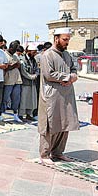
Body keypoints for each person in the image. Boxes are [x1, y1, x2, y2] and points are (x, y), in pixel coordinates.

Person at [38, 28, 79, 164]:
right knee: (50, 125)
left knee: (65, 123)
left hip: (66, 95)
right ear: (56, 39)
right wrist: (67, 77)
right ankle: (45, 154)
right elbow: (48, 74)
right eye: (64, 39)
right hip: (52, 95)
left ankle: (58, 152)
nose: (67, 42)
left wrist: (72, 76)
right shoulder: (47, 55)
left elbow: (73, 69)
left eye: (68, 39)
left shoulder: (67, 55)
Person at [2, 41, 23, 123]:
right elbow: (6, 67)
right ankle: (1, 113)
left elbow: (19, 64)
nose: (15, 51)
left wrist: (16, 65)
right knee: (5, 98)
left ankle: (15, 114)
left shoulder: (15, 56)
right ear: (10, 48)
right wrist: (14, 65)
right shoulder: (5, 55)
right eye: (14, 49)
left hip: (17, 79)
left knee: (16, 98)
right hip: (8, 80)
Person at [20, 44, 40, 121]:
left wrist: (35, 75)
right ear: (28, 51)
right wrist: (31, 77)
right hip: (25, 83)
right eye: (33, 52)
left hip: (33, 83)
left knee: (32, 100)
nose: (35, 54)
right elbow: (23, 71)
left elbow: (37, 69)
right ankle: (21, 115)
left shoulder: (34, 60)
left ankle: (29, 114)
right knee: (23, 100)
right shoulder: (23, 60)